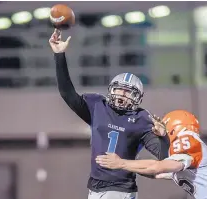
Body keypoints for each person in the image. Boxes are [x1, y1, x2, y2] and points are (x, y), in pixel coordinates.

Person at [49, 29, 169, 199]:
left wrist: (163, 137)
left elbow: (164, 158)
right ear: (111, 90)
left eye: (127, 93)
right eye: (119, 90)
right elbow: (67, 94)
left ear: (137, 98)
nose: (121, 95)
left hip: (119, 189)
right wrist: (59, 55)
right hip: (95, 186)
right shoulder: (98, 106)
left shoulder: (142, 119)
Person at [96, 110, 207, 199]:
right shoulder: (186, 152)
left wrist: (121, 162)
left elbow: (158, 167)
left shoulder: (188, 139)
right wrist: (129, 162)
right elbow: (156, 174)